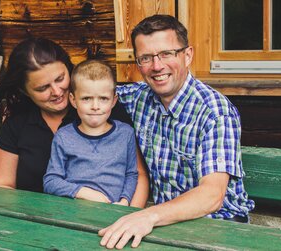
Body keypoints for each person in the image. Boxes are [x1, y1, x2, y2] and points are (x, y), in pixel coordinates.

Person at [98, 14, 255, 249]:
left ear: (187, 55)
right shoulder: (138, 97)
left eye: (166, 54)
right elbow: (93, 92)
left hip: (221, 228)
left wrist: (147, 216)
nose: (156, 66)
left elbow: (212, 195)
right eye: (146, 58)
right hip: (167, 225)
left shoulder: (214, 111)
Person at [0, 37, 148, 208]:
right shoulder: (18, 124)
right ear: (24, 91)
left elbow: (136, 174)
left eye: (60, 79)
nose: (56, 91)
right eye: (43, 88)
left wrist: (129, 216)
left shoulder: (102, 111)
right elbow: (1, 187)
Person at [43, 60, 138, 206]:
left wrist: (124, 201)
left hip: (113, 211)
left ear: (113, 101)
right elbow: (50, 181)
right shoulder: (63, 136)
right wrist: (84, 193)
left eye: (103, 99)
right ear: (74, 101)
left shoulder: (126, 134)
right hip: (73, 210)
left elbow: (131, 174)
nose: (95, 106)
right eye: (87, 99)